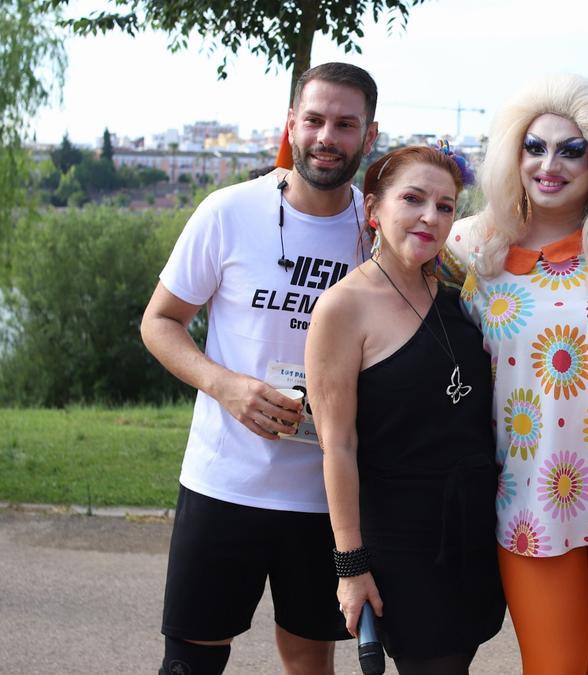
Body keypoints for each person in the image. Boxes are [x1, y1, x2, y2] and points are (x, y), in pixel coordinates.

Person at [140, 62, 378, 674]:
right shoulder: (228, 212)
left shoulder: (377, 234)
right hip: (225, 483)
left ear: (369, 136)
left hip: (324, 495)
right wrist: (225, 386)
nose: (328, 136)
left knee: (307, 660)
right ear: (291, 125)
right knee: (191, 660)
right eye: (315, 120)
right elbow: (159, 322)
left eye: (345, 124)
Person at [443, 74, 588, 675]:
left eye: (572, 150)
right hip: (528, 495)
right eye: (535, 147)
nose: (550, 164)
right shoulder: (469, 248)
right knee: (554, 668)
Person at [305, 146, 505, 674]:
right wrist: (351, 566)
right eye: (413, 199)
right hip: (402, 543)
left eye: (445, 206)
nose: (430, 217)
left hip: (472, 534)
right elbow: (338, 446)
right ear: (374, 208)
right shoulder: (342, 307)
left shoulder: (455, 295)